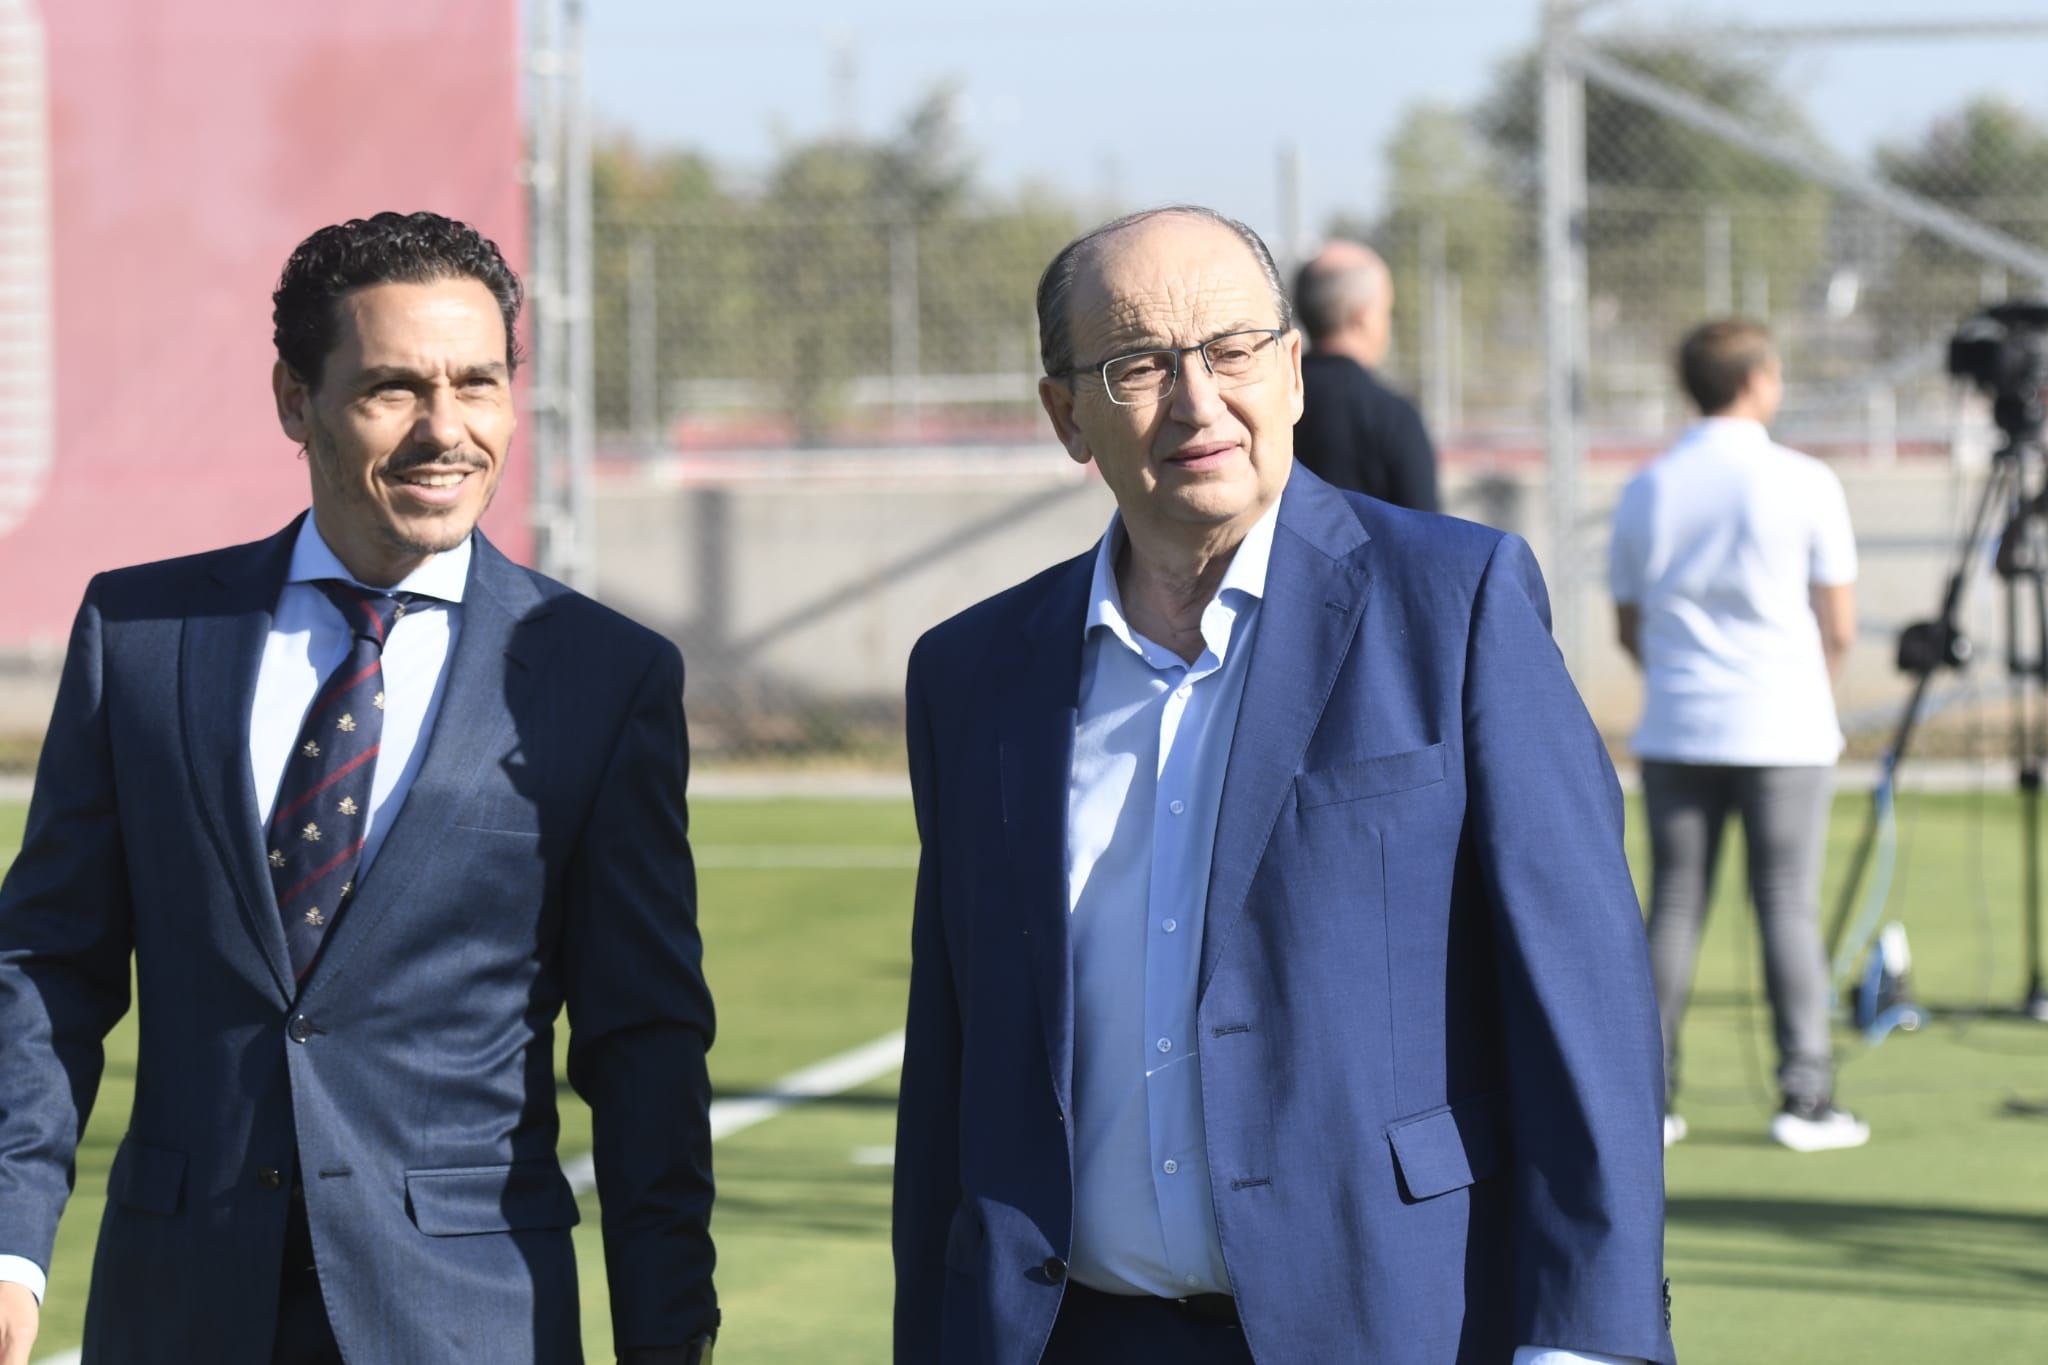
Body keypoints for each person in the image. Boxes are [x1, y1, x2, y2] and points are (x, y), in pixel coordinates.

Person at [892, 205, 1672, 1365]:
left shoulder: (1452, 606)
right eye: (1138, 364)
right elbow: (951, 1069)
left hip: (1391, 1320)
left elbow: (1584, 1002)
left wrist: (1587, 1341)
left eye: (1230, 351)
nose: (1197, 402)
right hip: (1069, 1335)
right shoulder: (970, 675)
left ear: (1293, 371)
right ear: (1067, 415)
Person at [0, 212, 718, 1365]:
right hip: (177, 1312)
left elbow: (645, 1047)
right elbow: (48, 966)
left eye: (479, 384)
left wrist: (669, 1338)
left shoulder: (603, 675)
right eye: (393, 388)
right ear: (294, 399)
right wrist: (9, 1245)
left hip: (468, 1316)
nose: (448, 430)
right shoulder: (141, 637)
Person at [1609, 318, 1867, 1155]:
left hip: (1681, 721)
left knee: (1674, 903)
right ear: (1758, 379)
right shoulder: (1805, 479)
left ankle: (1649, 1096)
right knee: (1785, 901)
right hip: (1784, 724)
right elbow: (1840, 622)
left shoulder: (1650, 485)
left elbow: (1627, 621)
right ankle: (1807, 1096)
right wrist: (1801, 689)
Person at [1290, 239, 1439, 511]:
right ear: (1364, 318)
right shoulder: (1393, 417)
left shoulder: (1274, 399)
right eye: (1387, 311)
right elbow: (1429, 532)